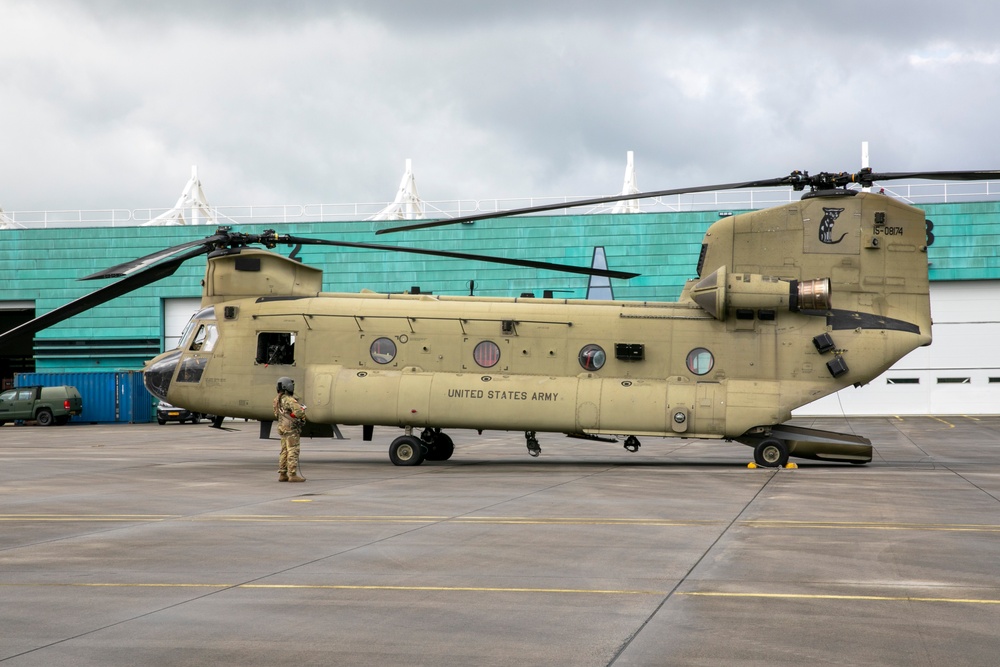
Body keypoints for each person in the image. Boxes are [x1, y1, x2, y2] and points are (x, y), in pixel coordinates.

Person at [273, 376, 306, 482]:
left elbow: (276, 413)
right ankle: (292, 474)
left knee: (284, 451)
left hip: (282, 428)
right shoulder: (290, 400)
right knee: (293, 450)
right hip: (291, 429)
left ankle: (282, 474)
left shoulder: (277, 400)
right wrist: (299, 412)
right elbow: (299, 412)